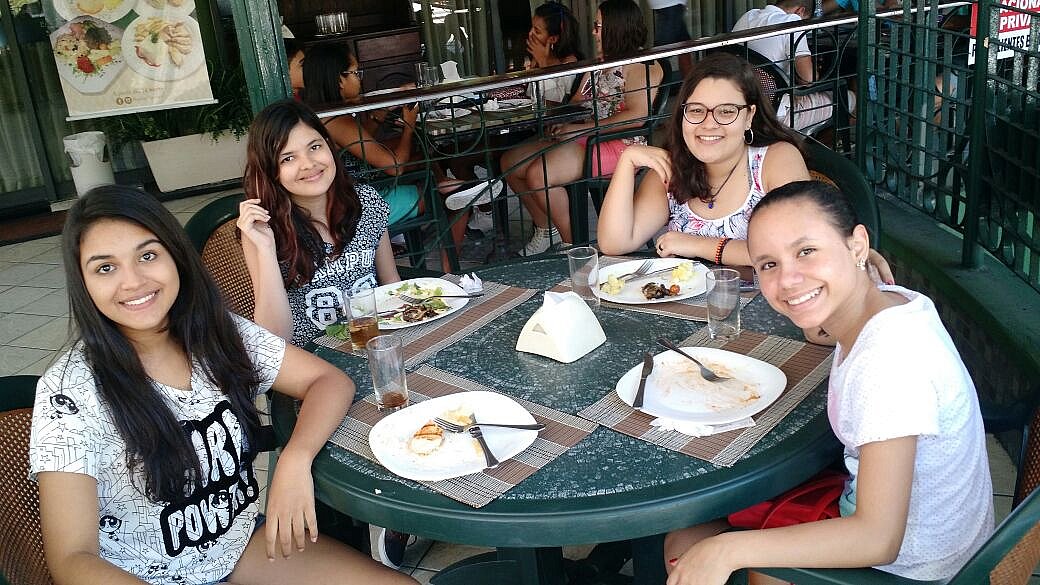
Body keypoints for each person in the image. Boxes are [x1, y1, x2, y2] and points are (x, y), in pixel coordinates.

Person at [29, 185, 416, 585]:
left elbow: (328, 380)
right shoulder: (69, 392)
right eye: (105, 268)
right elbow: (72, 558)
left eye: (147, 256)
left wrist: (294, 459)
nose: (133, 282)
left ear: (175, 256)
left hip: (239, 543)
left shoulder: (215, 333)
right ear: (83, 282)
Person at [664, 180, 993, 585]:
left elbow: (878, 538)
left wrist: (727, 550)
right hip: (910, 526)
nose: (788, 280)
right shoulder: (887, 302)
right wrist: (825, 286)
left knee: (687, 543)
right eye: (768, 264)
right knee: (696, 527)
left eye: (806, 251)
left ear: (857, 246)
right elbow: (827, 325)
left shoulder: (888, 363)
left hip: (911, 569)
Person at [597, 52, 807, 266]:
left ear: (749, 116)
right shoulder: (671, 169)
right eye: (697, 110)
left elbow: (793, 249)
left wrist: (697, 245)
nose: (709, 124)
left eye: (726, 111)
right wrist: (627, 159)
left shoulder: (776, 160)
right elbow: (615, 243)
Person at [501, 0, 663, 256]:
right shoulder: (600, 62)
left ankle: (573, 247)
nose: (594, 32)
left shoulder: (643, 65)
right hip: (587, 135)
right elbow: (577, 101)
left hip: (621, 143)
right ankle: (546, 229)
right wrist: (562, 118)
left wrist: (581, 130)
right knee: (510, 163)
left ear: (616, 28)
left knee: (539, 175)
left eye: (598, 26)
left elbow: (636, 117)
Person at [238, 99, 401, 348]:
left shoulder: (366, 202)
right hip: (312, 357)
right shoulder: (264, 228)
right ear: (271, 170)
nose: (308, 164)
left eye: (314, 147)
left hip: (373, 342)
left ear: (329, 144)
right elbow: (275, 339)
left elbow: (391, 282)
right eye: (288, 158)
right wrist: (266, 249)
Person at [301, 43, 423, 229]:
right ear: (339, 80)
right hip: (355, 209)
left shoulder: (320, 114)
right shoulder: (337, 122)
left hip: (344, 199)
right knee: (434, 193)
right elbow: (395, 167)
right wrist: (409, 125)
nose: (360, 79)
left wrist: (378, 114)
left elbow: (357, 143)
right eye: (356, 73)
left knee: (421, 157)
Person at [732, 0, 855, 133]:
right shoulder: (792, 21)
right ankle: (825, 145)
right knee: (849, 98)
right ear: (800, 11)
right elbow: (808, 79)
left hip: (745, 108)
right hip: (777, 115)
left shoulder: (748, 16)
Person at [648, 0, 692, 77]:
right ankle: (690, 81)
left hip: (669, 6)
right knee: (683, 49)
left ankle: (658, 81)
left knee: (662, 54)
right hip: (670, 5)